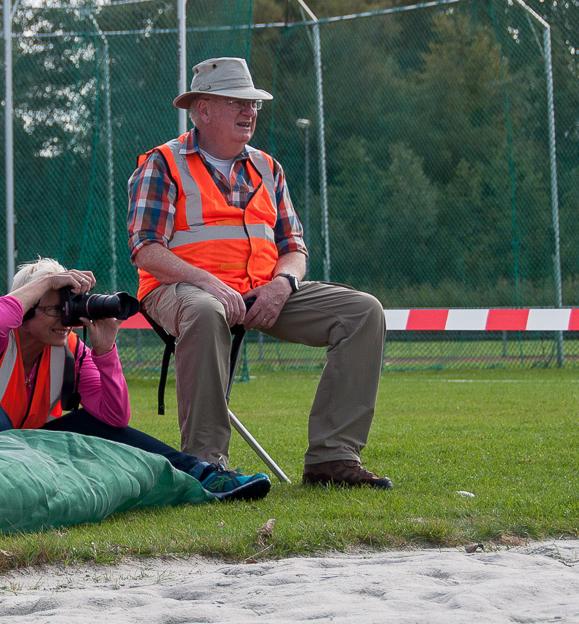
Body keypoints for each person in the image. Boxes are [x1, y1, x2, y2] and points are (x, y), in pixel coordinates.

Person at [126, 57, 393, 489]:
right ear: (202, 110)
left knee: (364, 312)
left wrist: (283, 285)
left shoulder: (269, 167)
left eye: (253, 103)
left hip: (260, 292)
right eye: (236, 102)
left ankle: (332, 459)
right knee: (207, 310)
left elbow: (294, 249)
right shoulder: (162, 163)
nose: (249, 111)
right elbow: (145, 249)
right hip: (179, 291)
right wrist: (208, 282)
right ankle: (206, 465)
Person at [0, 257, 271, 501]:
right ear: (26, 308)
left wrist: (105, 351)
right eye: (56, 307)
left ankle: (205, 477)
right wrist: (45, 282)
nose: (66, 318)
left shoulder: (69, 348)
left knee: (85, 422)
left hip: (5, 465)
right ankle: (30, 497)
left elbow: (112, 420)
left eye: (70, 308)